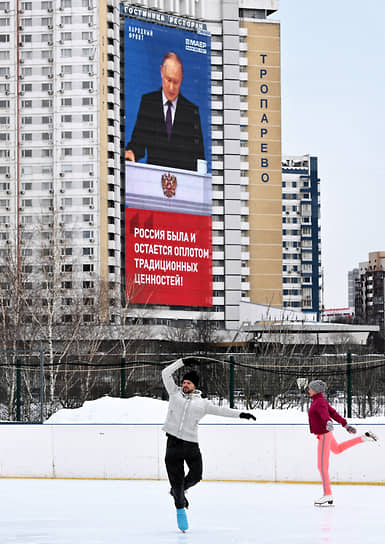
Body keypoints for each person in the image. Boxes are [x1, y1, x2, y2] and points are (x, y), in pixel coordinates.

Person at [161, 358, 256, 532]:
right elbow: (165, 373)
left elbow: (222, 411)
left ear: (195, 386)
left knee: (197, 475)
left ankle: (178, 491)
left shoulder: (203, 404)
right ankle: (180, 505)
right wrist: (182, 362)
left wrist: (241, 414)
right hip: (173, 443)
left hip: (191, 445)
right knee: (176, 483)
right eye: (184, 382)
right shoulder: (174, 393)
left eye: (188, 383)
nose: (185, 385)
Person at [125, 52, 205, 172]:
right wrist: (131, 153)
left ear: (182, 78)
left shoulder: (191, 111)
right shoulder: (148, 103)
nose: (172, 88)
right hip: (153, 180)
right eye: (168, 80)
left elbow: (199, 156)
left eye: (176, 82)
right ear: (162, 72)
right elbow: (138, 143)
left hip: (183, 184)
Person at [308, 379, 378, 507]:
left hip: (324, 435)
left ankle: (327, 494)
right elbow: (333, 413)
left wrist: (327, 422)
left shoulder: (319, 402)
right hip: (325, 434)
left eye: (310, 388)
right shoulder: (319, 401)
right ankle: (363, 438)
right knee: (337, 449)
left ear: (315, 390)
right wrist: (345, 424)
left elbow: (325, 415)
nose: (308, 390)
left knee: (322, 466)